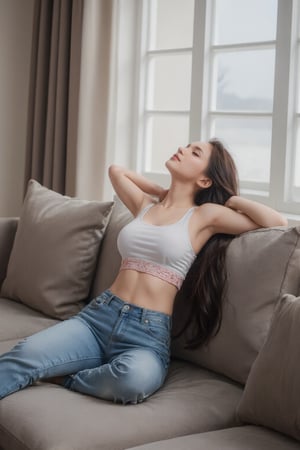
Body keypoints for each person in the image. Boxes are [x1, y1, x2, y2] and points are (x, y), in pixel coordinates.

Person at [0, 139, 287, 404]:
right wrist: (159, 191)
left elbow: (276, 221)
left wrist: (231, 200)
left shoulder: (204, 216)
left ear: (204, 179)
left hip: (146, 334)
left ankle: (65, 378)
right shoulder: (145, 205)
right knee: (24, 354)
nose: (183, 149)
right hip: (99, 318)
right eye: (187, 145)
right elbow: (116, 172)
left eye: (194, 152)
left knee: (133, 382)